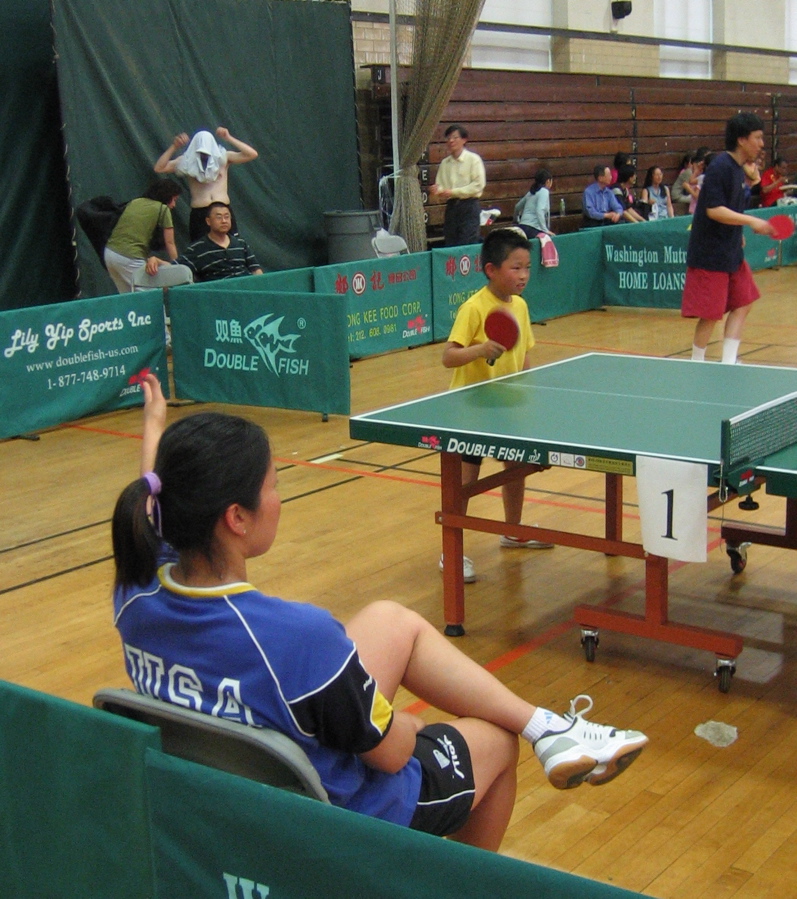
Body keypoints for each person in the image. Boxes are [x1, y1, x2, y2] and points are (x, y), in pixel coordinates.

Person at [111, 373, 648, 852]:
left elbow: (158, 497)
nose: (278, 497)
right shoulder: (298, 637)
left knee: (392, 620)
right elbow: (390, 755)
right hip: (342, 813)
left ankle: (549, 727)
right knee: (497, 743)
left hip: (229, 800)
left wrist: (155, 425)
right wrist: (406, 722)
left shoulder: (135, 591)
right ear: (236, 517)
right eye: (273, 485)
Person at [441, 228, 555, 584]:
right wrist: (480, 350)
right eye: (515, 267)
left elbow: (524, 356)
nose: (523, 275)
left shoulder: (520, 306)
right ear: (491, 269)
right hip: (472, 410)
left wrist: (528, 393)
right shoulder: (474, 308)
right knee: (465, 480)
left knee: (515, 468)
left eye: (527, 268)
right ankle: (451, 551)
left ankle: (513, 531)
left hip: (508, 407)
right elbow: (448, 357)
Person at [681, 113, 776, 364]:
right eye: (757, 138)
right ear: (742, 140)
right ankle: (696, 363)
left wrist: (739, 232)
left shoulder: (737, 169)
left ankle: (729, 362)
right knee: (711, 314)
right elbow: (713, 210)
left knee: (744, 302)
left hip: (730, 250)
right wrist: (751, 221)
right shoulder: (720, 167)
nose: (761, 144)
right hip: (710, 253)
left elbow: (730, 207)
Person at [154, 127, 258, 241]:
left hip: (222, 209)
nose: (204, 154)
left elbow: (251, 154)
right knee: (201, 248)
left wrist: (228, 138)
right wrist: (174, 146)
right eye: (201, 152)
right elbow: (159, 168)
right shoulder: (186, 161)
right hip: (200, 212)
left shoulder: (222, 157)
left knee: (232, 245)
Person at [104, 179, 181, 293]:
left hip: (109, 254)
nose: (174, 205)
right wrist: (178, 268)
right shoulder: (163, 209)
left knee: (128, 298)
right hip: (130, 258)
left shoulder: (135, 201)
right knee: (151, 296)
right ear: (167, 196)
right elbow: (170, 243)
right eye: (174, 200)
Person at [175, 202, 263, 282]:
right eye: (219, 217)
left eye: (227, 217)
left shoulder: (241, 243)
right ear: (208, 221)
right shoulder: (197, 249)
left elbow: (256, 270)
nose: (224, 221)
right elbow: (174, 269)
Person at [430, 124, 486, 247]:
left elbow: (478, 185)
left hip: (469, 206)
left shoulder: (474, 159)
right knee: (451, 243)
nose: (451, 141)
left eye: (455, 137)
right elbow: (441, 186)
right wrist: (436, 190)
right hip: (452, 207)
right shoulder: (445, 163)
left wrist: (453, 192)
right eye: (448, 138)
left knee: (468, 243)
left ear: (464, 140)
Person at [513, 169, 553, 238]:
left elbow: (517, 207)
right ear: (548, 181)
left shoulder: (530, 193)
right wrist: (545, 230)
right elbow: (539, 210)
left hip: (522, 227)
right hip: (533, 229)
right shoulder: (544, 191)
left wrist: (516, 220)